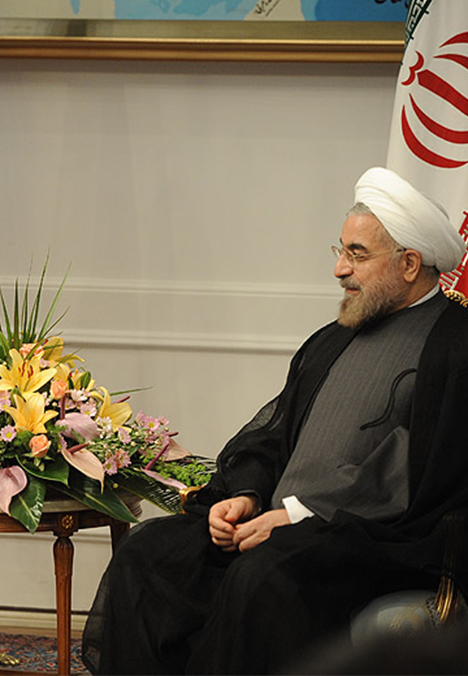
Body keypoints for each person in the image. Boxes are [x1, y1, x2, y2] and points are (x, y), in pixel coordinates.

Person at [81, 166, 468, 675]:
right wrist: (243, 494)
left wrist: (299, 514)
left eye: (357, 255)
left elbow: (411, 472)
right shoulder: (332, 338)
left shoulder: (456, 345)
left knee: (262, 577)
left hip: (367, 540)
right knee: (149, 554)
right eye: (340, 250)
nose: (339, 270)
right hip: (274, 523)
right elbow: (272, 434)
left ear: (410, 263)